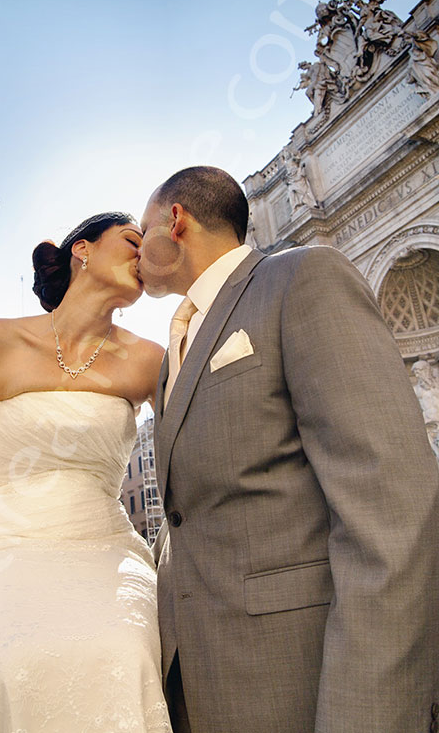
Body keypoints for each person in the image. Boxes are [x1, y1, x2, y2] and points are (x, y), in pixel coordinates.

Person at [138, 166, 439, 733]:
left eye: (141, 227)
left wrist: (368, 715)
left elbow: (391, 509)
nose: (135, 249)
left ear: (174, 222)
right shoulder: (170, 353)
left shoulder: (302, 277)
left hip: (302, 683)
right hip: (196, 683)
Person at [0, 212, 171, 733]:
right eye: (132, 240)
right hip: (2, 551)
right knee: (6, 662)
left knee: (127, 655)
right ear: (82, 250)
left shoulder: (149, 360)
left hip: (107, 551)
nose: (143, 252)